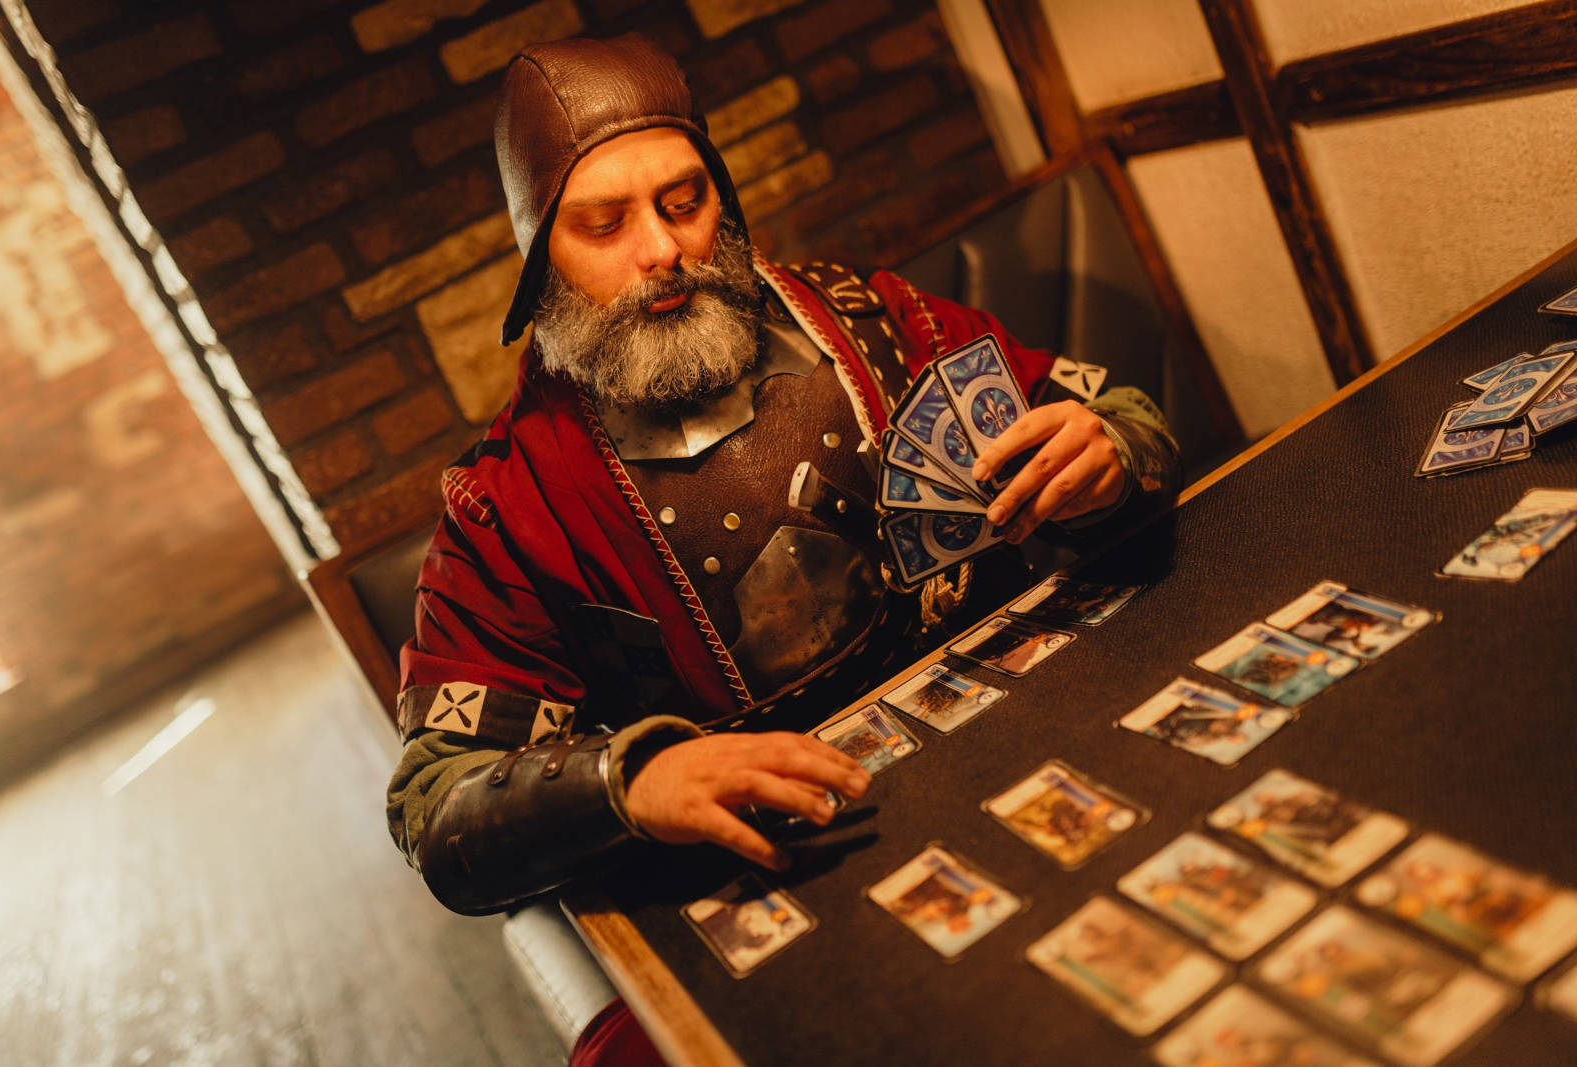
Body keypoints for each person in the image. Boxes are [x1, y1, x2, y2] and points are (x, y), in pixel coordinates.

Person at [386, 34, 1179, 918]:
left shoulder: (871, 318)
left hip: (1033, 726)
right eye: (604, 225)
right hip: (798, 862)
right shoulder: (506, 504)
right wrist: (629, 777)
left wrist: (1112, 456)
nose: (661, 249)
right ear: (541, 254)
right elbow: (437, 808)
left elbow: (1119, 414)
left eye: (684, 202)